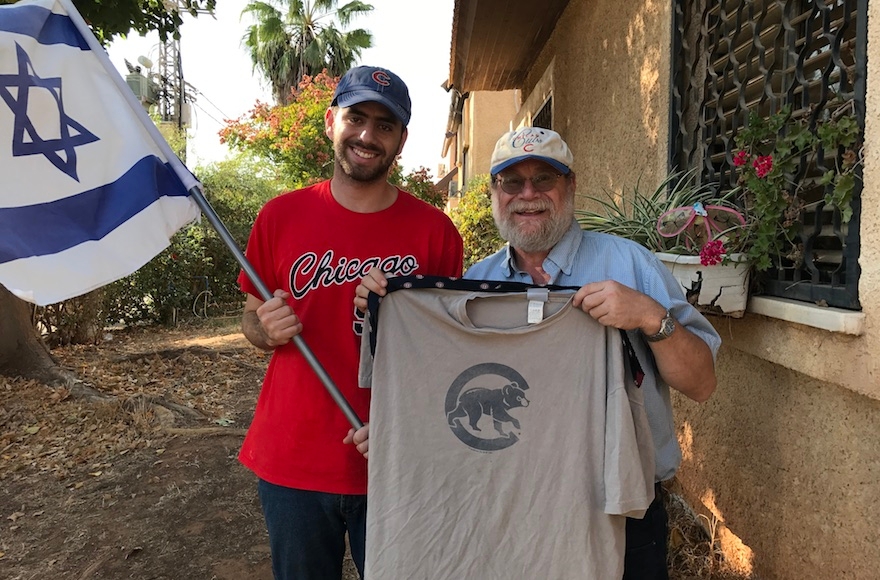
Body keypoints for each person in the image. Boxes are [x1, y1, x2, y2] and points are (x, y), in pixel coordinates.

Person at [352, 126, 720, 579]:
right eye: (512, 181)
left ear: (570, 186)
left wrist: (650, 316)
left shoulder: (632, 265)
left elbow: (701, 384)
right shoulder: (475, 284)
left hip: (622, 508)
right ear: (494, 192)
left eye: (544, 179)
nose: (528, 194)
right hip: (512, 514)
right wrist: (399, 432)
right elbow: (447, 388)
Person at [238, 65, 464, 580]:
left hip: (397, 455)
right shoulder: (280, 216)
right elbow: (251, 317)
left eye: (385, 126)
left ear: (402, 140)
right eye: (356, 117)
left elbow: (450, 349)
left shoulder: (436, 233)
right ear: (330, 121)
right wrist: (263, 329)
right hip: (293, 457)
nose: (367, 135)